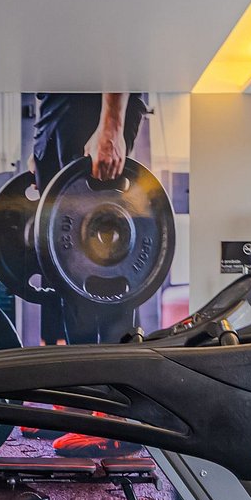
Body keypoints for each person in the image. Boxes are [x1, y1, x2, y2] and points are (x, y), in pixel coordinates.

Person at [25, 92, 150, 456]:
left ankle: (114, 418)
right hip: (58, 110)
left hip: (93, 105)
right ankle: (77, 401)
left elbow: (118, 54)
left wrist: (111, 124)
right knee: (60, 258)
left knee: (101, 253)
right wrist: (43, 142)